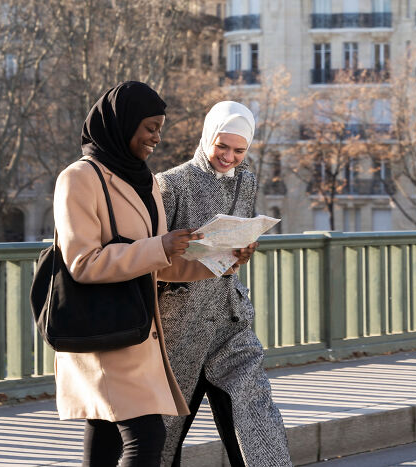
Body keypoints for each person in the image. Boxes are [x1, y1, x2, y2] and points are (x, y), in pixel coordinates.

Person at [52, 83, 257, 467]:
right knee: (147, 438)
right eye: (149, 127)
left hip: (140, 328)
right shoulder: (78, 178)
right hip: (104, 326)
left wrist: (223, 262)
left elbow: (163, 263)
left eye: (160, 127)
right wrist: (160, 246)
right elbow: (82, 262)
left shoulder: (143, 180)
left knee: (107, 439)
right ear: (122, 123)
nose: (157, 137)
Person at [156, 101, 293, 467]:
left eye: (239, 150)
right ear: (207, 137)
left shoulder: (246, 180)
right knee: (163, 435)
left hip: (231, 319)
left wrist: (241, 254)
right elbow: (153, 258)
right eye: (222, 146)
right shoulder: (170, 184)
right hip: (180, 327)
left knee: (258, 418)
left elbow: (236, 241)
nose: (229, 157)